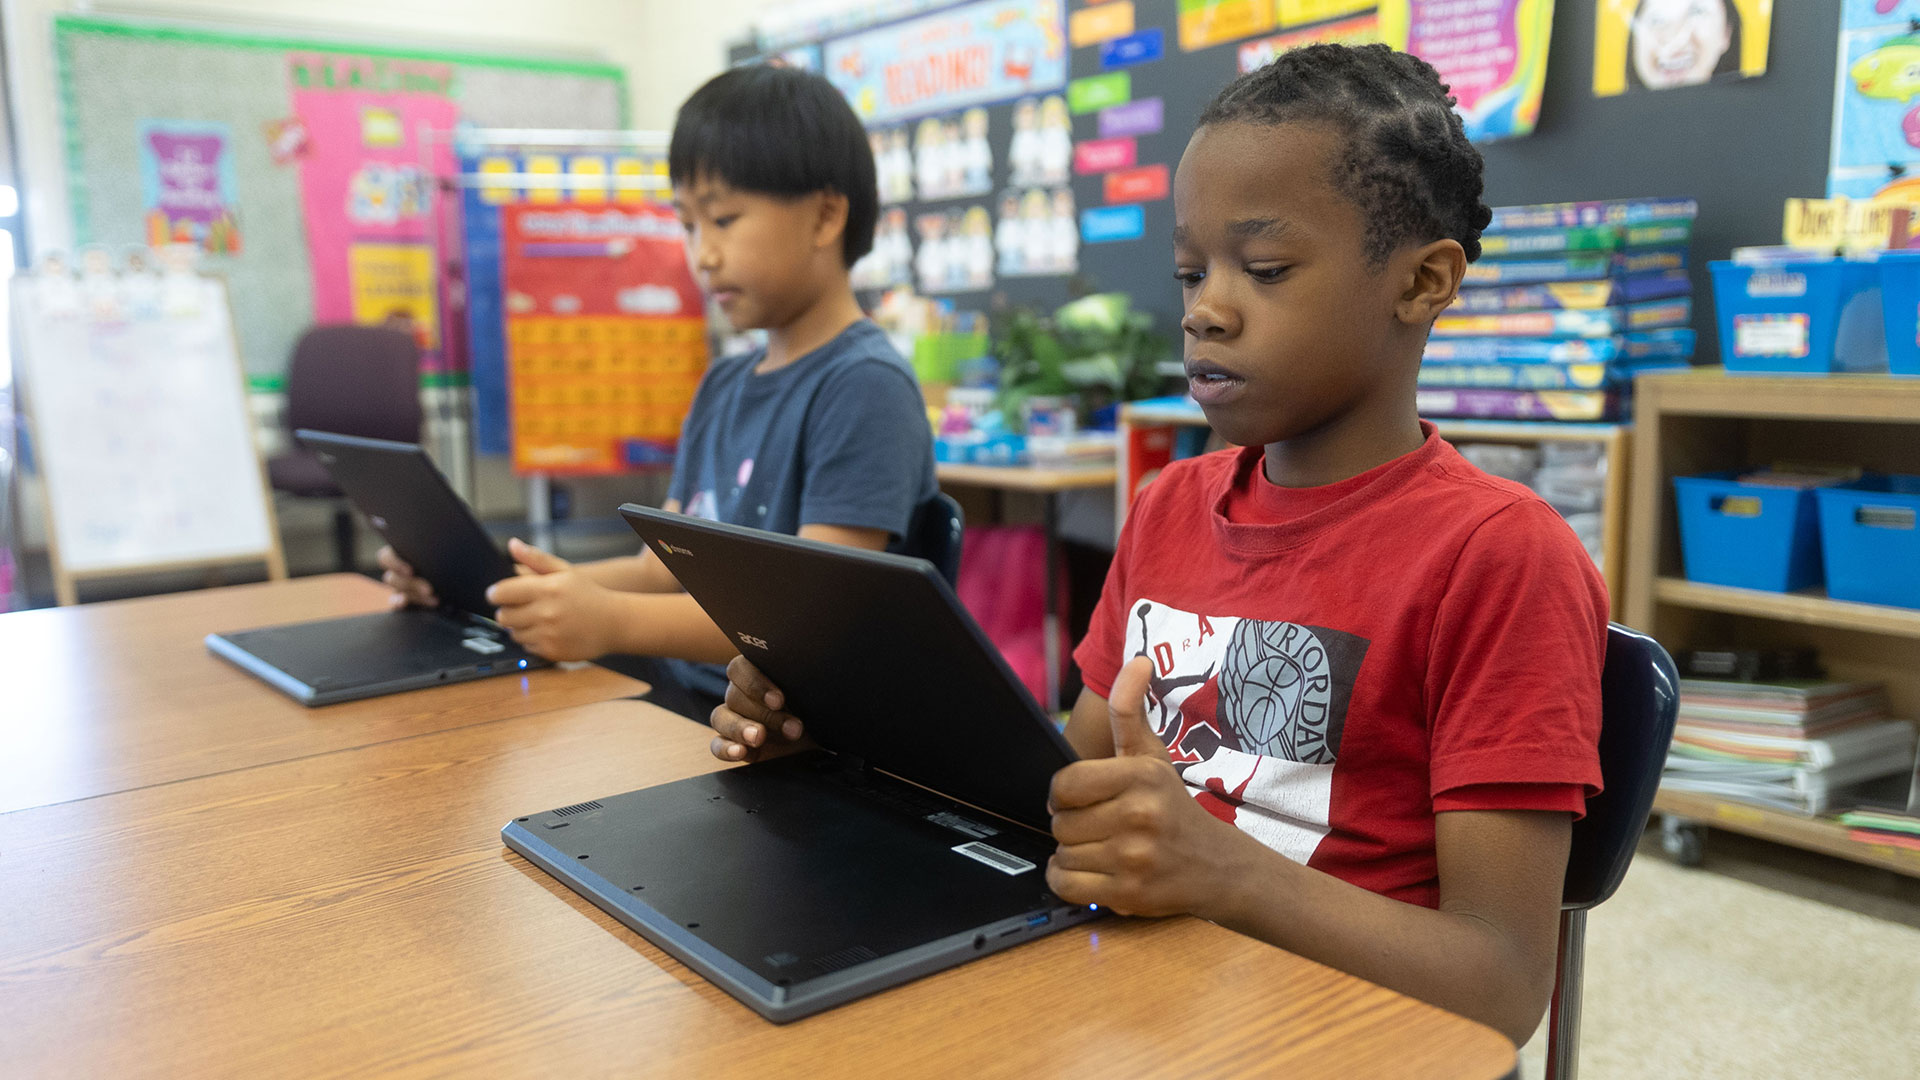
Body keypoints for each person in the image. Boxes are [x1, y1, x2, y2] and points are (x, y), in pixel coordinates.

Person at [705, 44, 1607, 1046]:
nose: (1204, 308)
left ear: (1423, 282)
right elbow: (1057, 782)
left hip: (1338, 1040)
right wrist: (843, 741)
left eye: (1263, 269)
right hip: (1144, 1007)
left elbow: (1503, 980)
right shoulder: (1169, 506)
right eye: (1190, 270)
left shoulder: (1499, 557)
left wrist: (1223, 872)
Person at [380, 64, 937, 717]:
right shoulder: (725, 383)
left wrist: (610, 622)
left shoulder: (863, 387)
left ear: (825, 216)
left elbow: (805, 627)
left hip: (799, 739)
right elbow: (659, 570)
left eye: (724, 219)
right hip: (684, 703)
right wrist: (500, 590)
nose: (701, 255)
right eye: (689, 224)